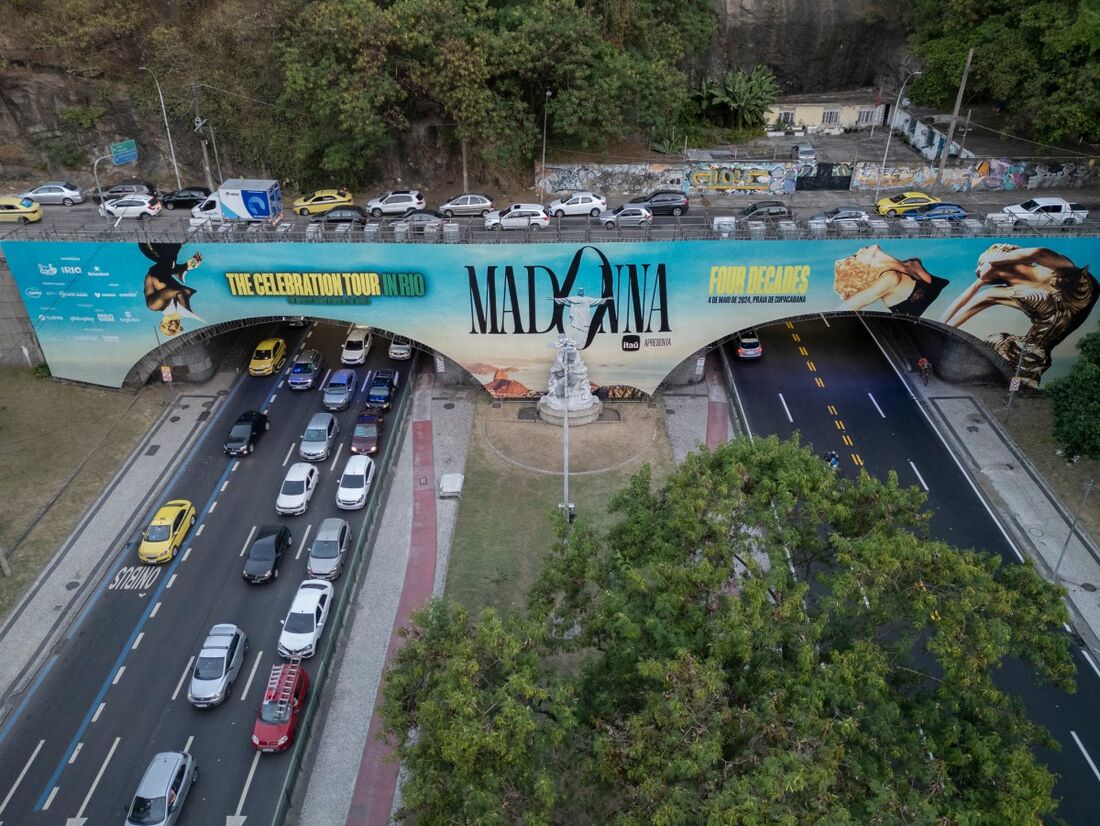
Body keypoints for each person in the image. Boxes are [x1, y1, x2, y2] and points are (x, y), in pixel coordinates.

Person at [940, 244, 1098, 388]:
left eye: (980, 263)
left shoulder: (1053, 268)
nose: (977, 270)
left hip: (1033, 359)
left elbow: (1038, 253)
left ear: (1002, 255)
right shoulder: (1004, 293)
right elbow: (948, 320)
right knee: (1005, 378)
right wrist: (978, 283)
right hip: (1025, 356)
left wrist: (993, 260)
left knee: (1018, 391)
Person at [833, 244, 950, 316]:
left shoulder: (910, 263)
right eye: (855, 256)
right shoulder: (889, 279)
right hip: (927, 331)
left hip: (950, 314)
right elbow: (844, 308)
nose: (859, 250)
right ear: (863, 269)